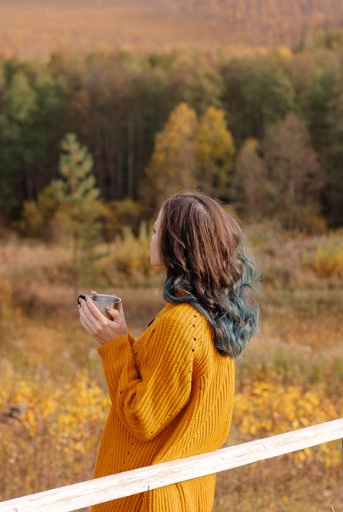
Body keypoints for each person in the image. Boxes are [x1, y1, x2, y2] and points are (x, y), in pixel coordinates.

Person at [77, 190, 260, 511]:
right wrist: (120, 336)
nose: (150, 237)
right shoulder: (209, 317)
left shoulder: (181, 323)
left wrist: (114, 346)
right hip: (183, 497)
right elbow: (164, 393)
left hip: (147, 501)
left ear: (176, 244)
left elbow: (143, 417)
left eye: (155, 230)